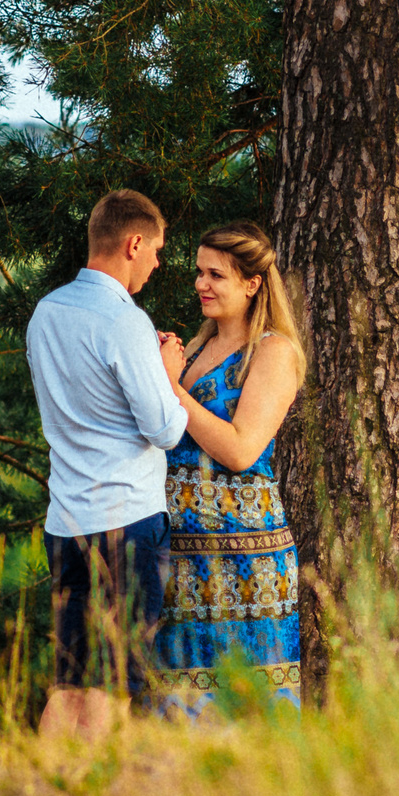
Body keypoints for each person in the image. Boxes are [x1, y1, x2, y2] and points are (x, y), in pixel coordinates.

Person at [24, 189, 191, 739]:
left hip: (65, 519)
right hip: (125, 520)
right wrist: (166, 371)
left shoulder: (46, 313)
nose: (159, 263)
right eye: (157, 250)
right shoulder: (126, 322)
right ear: (133, 243)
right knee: (113, 679)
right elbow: (164, 429)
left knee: (68, 682)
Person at [156, 220, 306, 714]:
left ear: (252, 283)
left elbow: (242, 451)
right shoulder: (195, 348)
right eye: (199, 272)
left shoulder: (274, 352)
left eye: (216, 275)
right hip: (180, 559)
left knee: (244, 714)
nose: (201, 284)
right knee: (176, 709)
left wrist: (173, 389)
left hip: (246, 565)